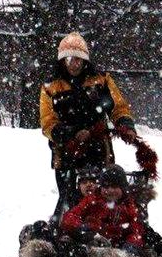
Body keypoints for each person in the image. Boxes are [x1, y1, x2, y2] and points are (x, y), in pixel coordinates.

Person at [39, 32, 138, 221]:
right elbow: (48, 122)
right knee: (69, 198)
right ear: (62, 61)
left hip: (99, 149)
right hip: (67, 152)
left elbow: (118, 107)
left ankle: (106, 230)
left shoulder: (101, 80)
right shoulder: (51, 87)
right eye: (69, 59)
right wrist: (72, 134)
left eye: (78, 59)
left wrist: (125, 124)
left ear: (85, 60)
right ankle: (68, 233)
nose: (74, 63)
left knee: (105, 195)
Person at [60, 164, 159, 257]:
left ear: (123, 188)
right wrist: (81, 227)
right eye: (106, 187)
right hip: (93, 242)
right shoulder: (92, 200)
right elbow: (70, 216)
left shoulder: (129, 207)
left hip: (115, 248)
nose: (109, 190)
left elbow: (136, 231)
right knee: (76, 251)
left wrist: (131, 245)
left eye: (114, 187)